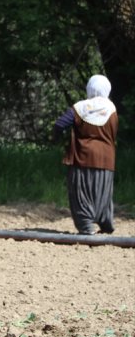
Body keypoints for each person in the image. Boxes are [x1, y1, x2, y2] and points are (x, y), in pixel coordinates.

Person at [53, 74, 119, 235]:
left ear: (89, 88)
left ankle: (86, 225)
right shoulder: (112, 109)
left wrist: (58, 140)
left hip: (82, 157)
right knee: (103, 192)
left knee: (81, 193)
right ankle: (105, 222)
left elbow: (60, 124)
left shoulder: (80, 107)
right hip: (106, 158)